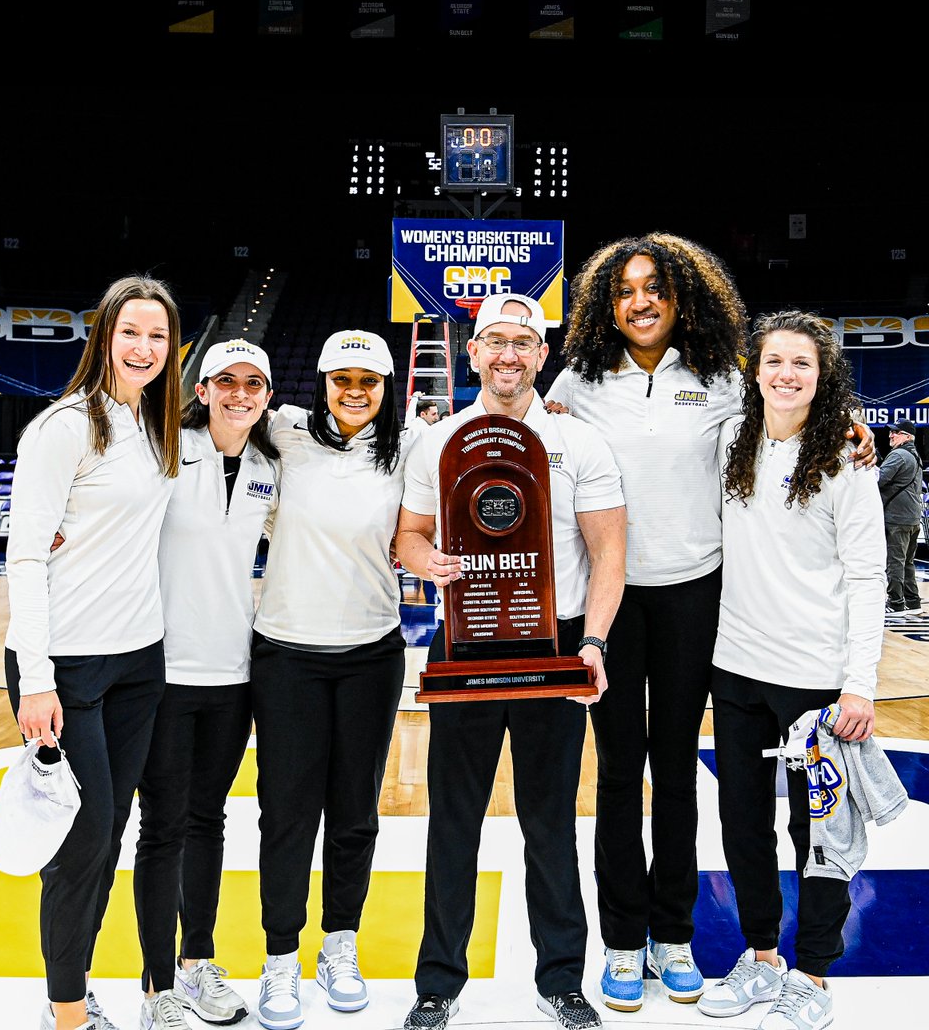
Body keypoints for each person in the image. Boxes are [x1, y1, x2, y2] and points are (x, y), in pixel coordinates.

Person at [544, 234, 876, 1012]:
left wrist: (851, 424)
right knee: (618, 773)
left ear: (682, 297)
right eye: (624, 290)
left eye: (655, 287)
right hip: (609, 602)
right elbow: (527, 425)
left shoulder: (723, 376)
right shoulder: (577, 380)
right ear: (606, 305)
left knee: (679, 775)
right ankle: (622, 941)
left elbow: (789, 406)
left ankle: (673, 936)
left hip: (697, 599)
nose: (640, 301)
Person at [396, 294, 627, 1030]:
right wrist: (427, 562)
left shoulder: (579, 442)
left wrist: (593, 643)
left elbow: (609, 554)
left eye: (522, 342)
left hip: (554, 643)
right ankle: (437, 984)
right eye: (494, 340)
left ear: (542, 355)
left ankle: (562, 980)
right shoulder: (437, 441)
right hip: (466, 640)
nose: (507, 354)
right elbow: (408, 536)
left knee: (550, 821)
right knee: (452, 820)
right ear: (471, 352)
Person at [699, 310, 886, 1030]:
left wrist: (859, 683)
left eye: (801, 363)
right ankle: (761, 958)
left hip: (817, 680)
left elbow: (867, 576)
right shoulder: (730, 441)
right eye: (773, 360)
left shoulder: (845, 460)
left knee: (821, 839)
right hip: (737, 669)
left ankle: (811, 975)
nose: (786, 374)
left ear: (822, 374)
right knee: (744, 825)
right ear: (753, 370)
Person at [5, 275, 182, 1030]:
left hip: (139, 658)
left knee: (108, 835)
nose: (143, 347)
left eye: (157, 335)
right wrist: (35, 679)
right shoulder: (64, 427)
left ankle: (75, 983)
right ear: (103, 336)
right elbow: (24, 556)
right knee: (82, 843)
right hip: (66, 666)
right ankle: (69, 1011)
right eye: (129, 332)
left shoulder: (157, 425)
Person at [250, 330, 407, 1030]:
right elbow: (206, 419)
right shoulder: (283, 432)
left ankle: (339, 944)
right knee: (285, 814)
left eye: (368, 381)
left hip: (371, 654)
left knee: (354, 814)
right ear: (321, 382)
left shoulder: (410, 447)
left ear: (386, 387)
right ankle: (280, 956)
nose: (354, 392)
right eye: (342, 379)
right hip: (287, 654)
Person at [133, 339, 280, 1030]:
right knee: (162, 826)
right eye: (227, 381)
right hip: (162, 671)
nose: (239, 393)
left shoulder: (269, 467)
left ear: (268, 397)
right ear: (203, 389)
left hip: (233, 674)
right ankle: (156, 986)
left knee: (208, 819)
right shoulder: (162, 451)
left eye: (254, 383)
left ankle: (197, 962)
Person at [877, 418, 925, 624]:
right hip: (912, 517)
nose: (891, 435)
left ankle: (896, 604)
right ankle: (913, 603)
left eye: (896, 432)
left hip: (897, 518)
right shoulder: (915, 455)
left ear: (907, 436)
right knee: (907, 562)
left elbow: (878, 480)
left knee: (894, 561)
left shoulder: (898, 455)